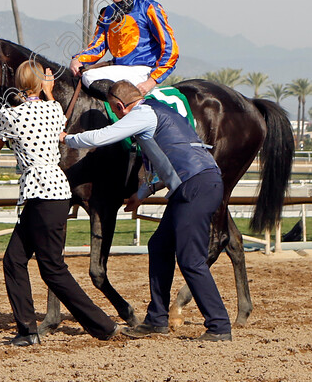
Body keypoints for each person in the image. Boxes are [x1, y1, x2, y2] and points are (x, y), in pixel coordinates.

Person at [60, 80, 232, 342]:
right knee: (160, 245)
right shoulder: (160, 113)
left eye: (115, 111)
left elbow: (100, 137)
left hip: (195, 186)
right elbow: (166, 162)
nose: (116, 116)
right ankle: (156, 320)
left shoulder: (142, 114)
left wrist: (66, 138)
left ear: (119, 105)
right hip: (196, 184)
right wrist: (140, 195)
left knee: (190, 259)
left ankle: (219, 326)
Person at [0, 60, 120, 346]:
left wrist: (5, 111)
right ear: (42, 84)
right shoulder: (53, 109)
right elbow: (57, 119)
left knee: (53, 268)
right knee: (14, 260)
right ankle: (27, 330)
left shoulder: (10, 115)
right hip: (56, 191)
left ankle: (103, 325)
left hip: (39, 194)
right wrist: (48, 92)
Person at [71, 0, 179, 99]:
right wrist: (79, 59)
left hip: (143, 71)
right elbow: (98, 46)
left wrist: (151, 81)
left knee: (89, 76)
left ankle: (125, 106)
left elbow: (171, 50)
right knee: (86, 77)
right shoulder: (107, 12)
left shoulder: (149, 8)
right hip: (118, 71)